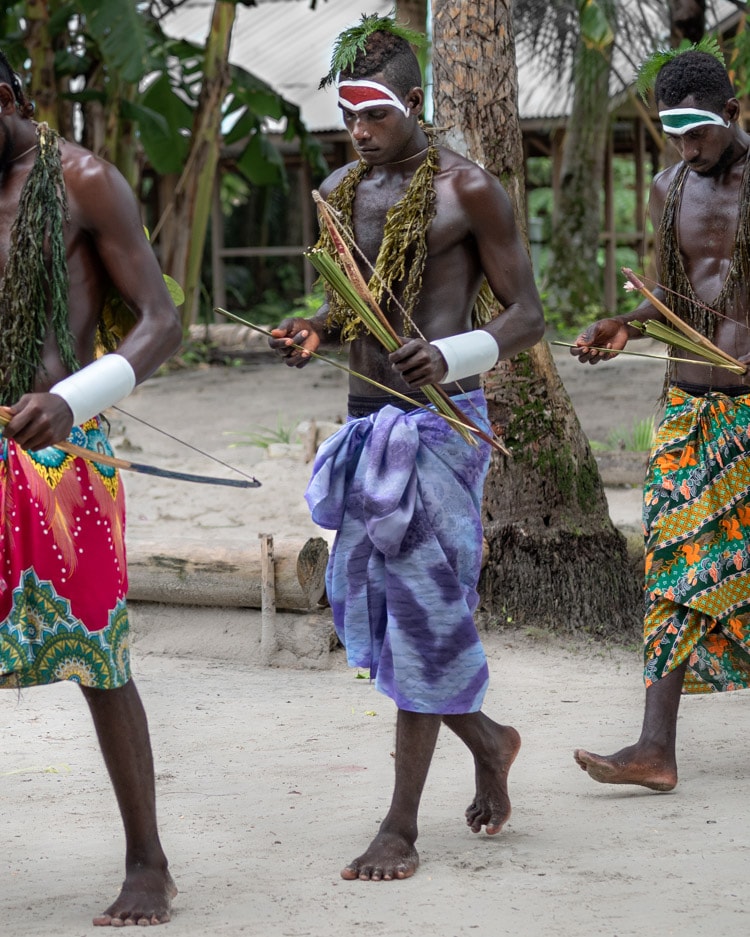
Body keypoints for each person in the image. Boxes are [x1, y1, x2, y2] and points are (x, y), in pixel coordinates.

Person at [269, 13, 545, 881]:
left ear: (414, 102)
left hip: (440, 423)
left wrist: (454, 351)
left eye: (375, 112)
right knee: (393, 619)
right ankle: (490, 739)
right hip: (365, 418)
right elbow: (351, 305)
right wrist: (313, 328)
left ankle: (400, 827)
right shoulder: (342, 191)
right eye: (348, 112)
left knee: (424, 617)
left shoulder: (470, 190)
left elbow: (528, 314)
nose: (359, 128)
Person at [0, 53, 182, 924]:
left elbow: (162, 321)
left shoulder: (82, 179)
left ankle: (148, 861)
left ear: (7, 101)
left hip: (64, 452)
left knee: (100, 658)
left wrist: (72, 400)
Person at [571, 46, 750, 792]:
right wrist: (627, 324)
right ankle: (655, 747)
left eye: (698, 131)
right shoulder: (669, 186)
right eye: (674, 132)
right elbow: (672, 296)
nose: (686, 146)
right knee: (671, 565)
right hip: (688, 406)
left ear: (731, 113)